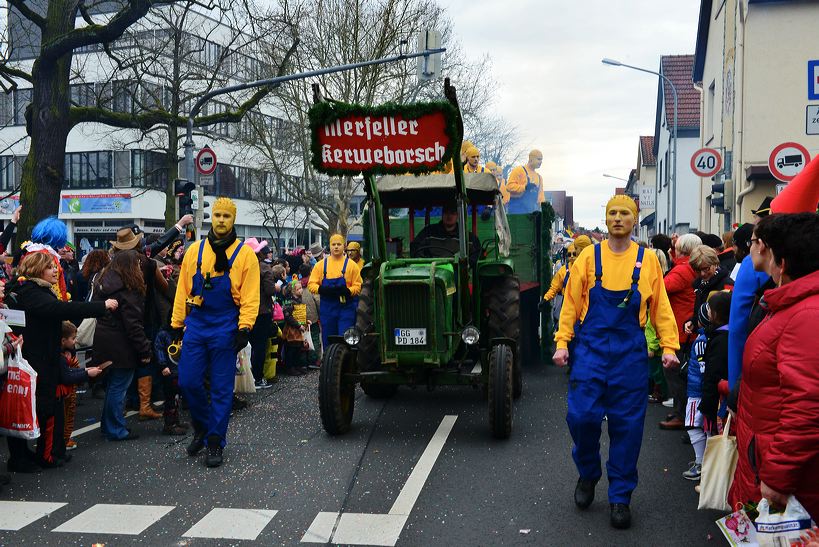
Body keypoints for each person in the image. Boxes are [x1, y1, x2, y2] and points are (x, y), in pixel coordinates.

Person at [553, 195, 679, 529]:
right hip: (591, 350)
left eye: (625, 213)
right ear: (605, 219)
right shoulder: (588, 258)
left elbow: (661, 307)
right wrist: (563, 341)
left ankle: (620, 496)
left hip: (629, 353)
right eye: (612, 213)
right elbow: (570, 303)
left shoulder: (648, 259)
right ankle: (588, 473)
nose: (618, 218)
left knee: (628, 426)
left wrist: (669, 345)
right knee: (581, 417)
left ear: (635, 219)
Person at [729, 213, 819, 521]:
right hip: (763, 456)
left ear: (781, 261)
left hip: (782, 473)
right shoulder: (791, 305)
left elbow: (808, 405)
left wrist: (778, 475)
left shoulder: (806, 314)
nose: (755, 249)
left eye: (758, 242)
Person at [171, 197, 260, 468]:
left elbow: (250, 297)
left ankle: (214, 442)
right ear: (213, 218)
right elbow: (182, 292)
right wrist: (176, 326)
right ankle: (203, 426)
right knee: (187, 381)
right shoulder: (194, 251)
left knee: (222, 389)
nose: (221, 220)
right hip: (197, 323)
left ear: (233, 220)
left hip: (226, 325)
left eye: (227, 216)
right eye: (218, 215)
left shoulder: (245, 255)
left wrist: (244, 328)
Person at [6, 252, 115, 471]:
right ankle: (27, 458)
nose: (56, 271)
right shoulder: (32, 292)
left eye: (55, 267)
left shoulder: (34, 290)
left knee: (33, 408)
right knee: (35, 409)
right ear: (37, 270)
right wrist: (101, 307)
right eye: (50, 267)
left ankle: (32, 454)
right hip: (36, 361)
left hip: (39, 358)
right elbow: (62, 309)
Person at [92, 251, 152, 441]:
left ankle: (108, 426)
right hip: (121, 344)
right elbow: (133, 325)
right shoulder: (128, 288)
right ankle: (116, 428)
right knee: (119, 386)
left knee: (113, 385)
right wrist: (144, 350)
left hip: (103, 339)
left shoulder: (104, 282)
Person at [658, 233, 701, 430]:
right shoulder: (691, 267)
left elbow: (661, 288)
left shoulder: (681, 270)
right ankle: (682, 412)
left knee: (674, 375)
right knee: (682, 375)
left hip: (679, 330)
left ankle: (681, 414)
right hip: (688, 328)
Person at [308, 234, 362, 349]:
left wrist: (348, 291)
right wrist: (321, 289)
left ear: (344, 246)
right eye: (333, 244)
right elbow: (311, 284)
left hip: (347, 308)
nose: (336, 247)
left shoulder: (352, 266)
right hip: (327, 309)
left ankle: (347, 362)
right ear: (329, 246)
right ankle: (329, 362)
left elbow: (358, 286)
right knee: (328, 338)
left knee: (346, 338)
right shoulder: (320, 265)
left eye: (339, 244)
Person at [58, 321, 103, 454]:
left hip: (69, 390)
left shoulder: (66, 353)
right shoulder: (61, 358)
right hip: (63, 391)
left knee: (69, 414)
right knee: (65, 415)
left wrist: (85, 371)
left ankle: (64, 439)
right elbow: (67, 375)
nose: (75, 341)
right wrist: (86, 373)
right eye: (73, 338)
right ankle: (63, 441)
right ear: (63, 340)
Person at [246, 238, 276, 390]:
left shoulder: (243, 267)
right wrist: (277, 288)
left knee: (245, 345)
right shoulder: (264, 268)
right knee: (259, 346)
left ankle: (245, 377)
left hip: (245, 312)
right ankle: (258, 378)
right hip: (262, 311)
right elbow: (270, 290)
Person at [410, 202, 481, 266]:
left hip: (457, 273)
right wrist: (427, 263)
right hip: (432, 270)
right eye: (446, 212)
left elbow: (477, 254)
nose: (449, 216)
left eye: (452, 213)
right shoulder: (428, 232)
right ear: (442, 214)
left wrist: (465, 265)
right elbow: (415, 247)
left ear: (458, 216)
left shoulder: (468, 237)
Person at [685, 245, 733, 333]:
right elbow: (700, 311)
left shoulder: (727, 285)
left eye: (706, 269)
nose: (703, 274)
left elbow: (728, 318)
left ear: (715, 263)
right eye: (698, 270)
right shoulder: (699, 285)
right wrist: (692, 322)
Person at [153, 321, 188, 436]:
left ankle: (175, 422)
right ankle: (170, 425)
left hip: (177, 370)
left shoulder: (179, 332)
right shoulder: (164, 334)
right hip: (168, 371)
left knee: (176, 397)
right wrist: (163, 365)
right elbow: (159, 350)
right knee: (170, 399)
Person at [505, 150, 545, 214]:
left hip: (531, 211)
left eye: (541, 160)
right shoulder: (519, 170)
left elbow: (541, 196)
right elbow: (509, 187)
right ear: (531, 159)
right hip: (516, 210)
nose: (541, 162)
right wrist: (524, 187)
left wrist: (544, 209)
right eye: (539, 159)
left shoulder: (539, 178)